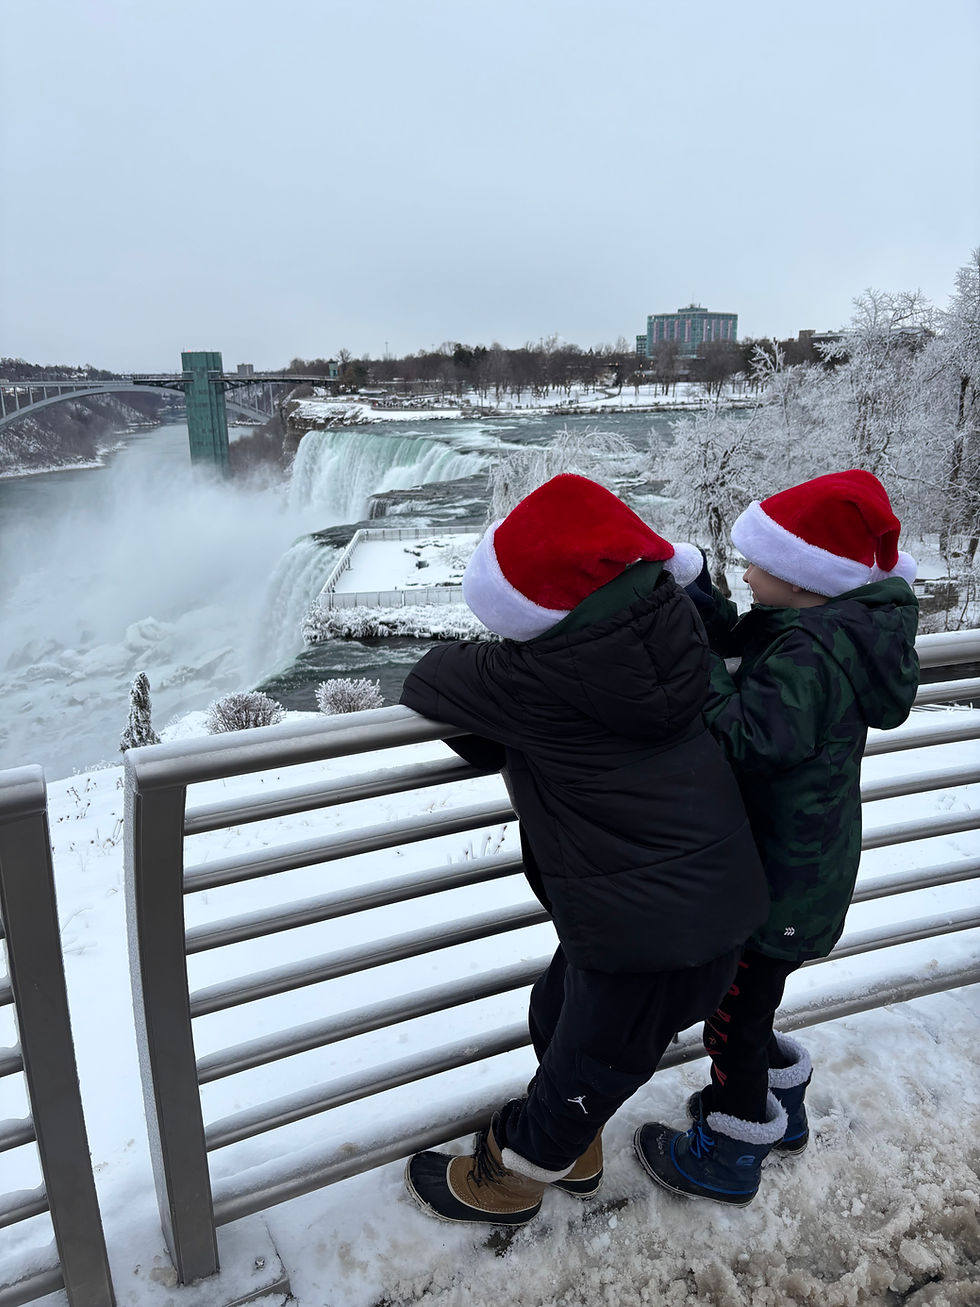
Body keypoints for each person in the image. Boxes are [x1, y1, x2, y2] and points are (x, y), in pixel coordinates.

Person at [398, 473, 769, 1226]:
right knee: (558, 1012)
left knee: (581, 1074)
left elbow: (429, 677)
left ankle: (508, 1181)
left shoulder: (533, 678)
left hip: (647, 939)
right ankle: (578, 1146)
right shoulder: (675, 631)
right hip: (694, 912)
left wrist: (504, 679)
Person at [634, 468, 920, 1206]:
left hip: (783, 878)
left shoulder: (811, 655)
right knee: (753, 1002)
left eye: (759, 563)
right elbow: (753, 644)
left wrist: (693, 664)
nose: (748, 572)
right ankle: (781, 1106)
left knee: (733, 1014)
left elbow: (746, 736)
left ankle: (729, 1149)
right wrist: (696, 595)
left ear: (805, 578)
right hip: (802, 864)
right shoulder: (826, 630)